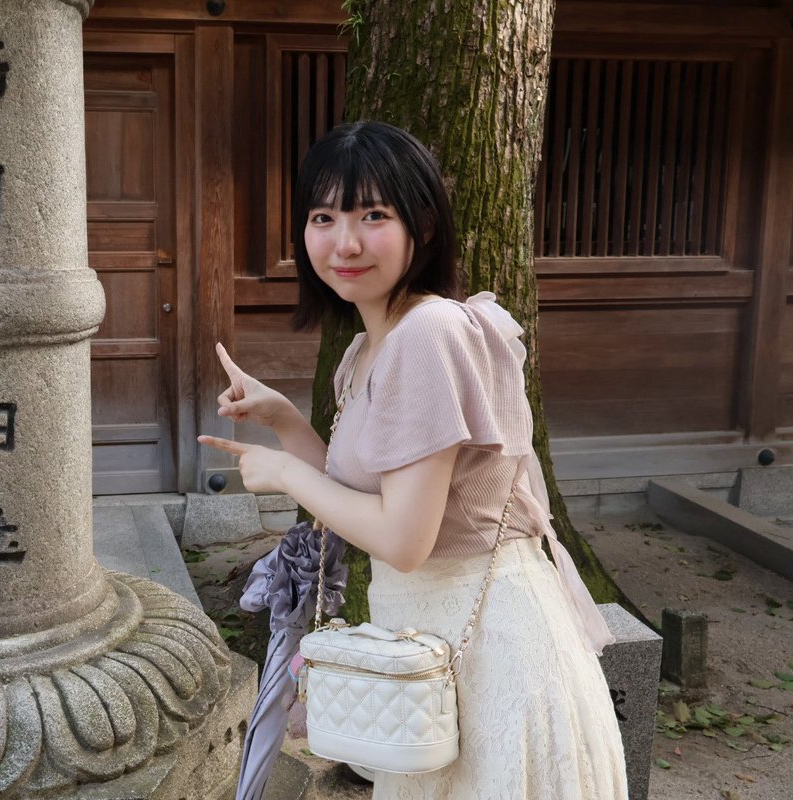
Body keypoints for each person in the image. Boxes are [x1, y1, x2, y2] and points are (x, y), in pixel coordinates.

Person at [200, 121, 627, 798]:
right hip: (429, 646)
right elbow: (356, 497)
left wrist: (284, 474)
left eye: (373, 215)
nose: (345, 241)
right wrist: (283, 419)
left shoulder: (428, 332)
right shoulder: (367, 350)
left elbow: (403, 538)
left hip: (491, 652)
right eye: (323, 216)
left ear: (421, 226)